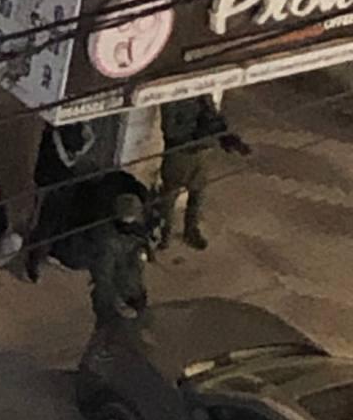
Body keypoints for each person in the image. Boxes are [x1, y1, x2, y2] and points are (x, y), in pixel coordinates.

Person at [159, 95, 250, 251]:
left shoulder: (202, 95)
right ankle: (164, 234)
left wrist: (227, 138)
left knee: (198, 195)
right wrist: (197, 132)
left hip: (201, 153)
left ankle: (191, 230)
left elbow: (215, 119)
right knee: (169, 198)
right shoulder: (173, 96)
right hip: (180, 155)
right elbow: (170, 130)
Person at [27, 122, 96, 281]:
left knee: (59, 219)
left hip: (65, 182)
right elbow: (65, 158)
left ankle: (54, 252)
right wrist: (76, 154)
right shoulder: (53, 133)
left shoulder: (77, 126)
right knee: (44, 224)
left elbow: (89, 137)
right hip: (49, 183)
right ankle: (33, 260)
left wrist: (79, 150)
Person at [87, 192, 149, 325]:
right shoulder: (108, 242)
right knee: (110, 325)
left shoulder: (134, 235)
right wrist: (117, 301)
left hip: (131, 293)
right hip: (116, 299)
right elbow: (103, 276)